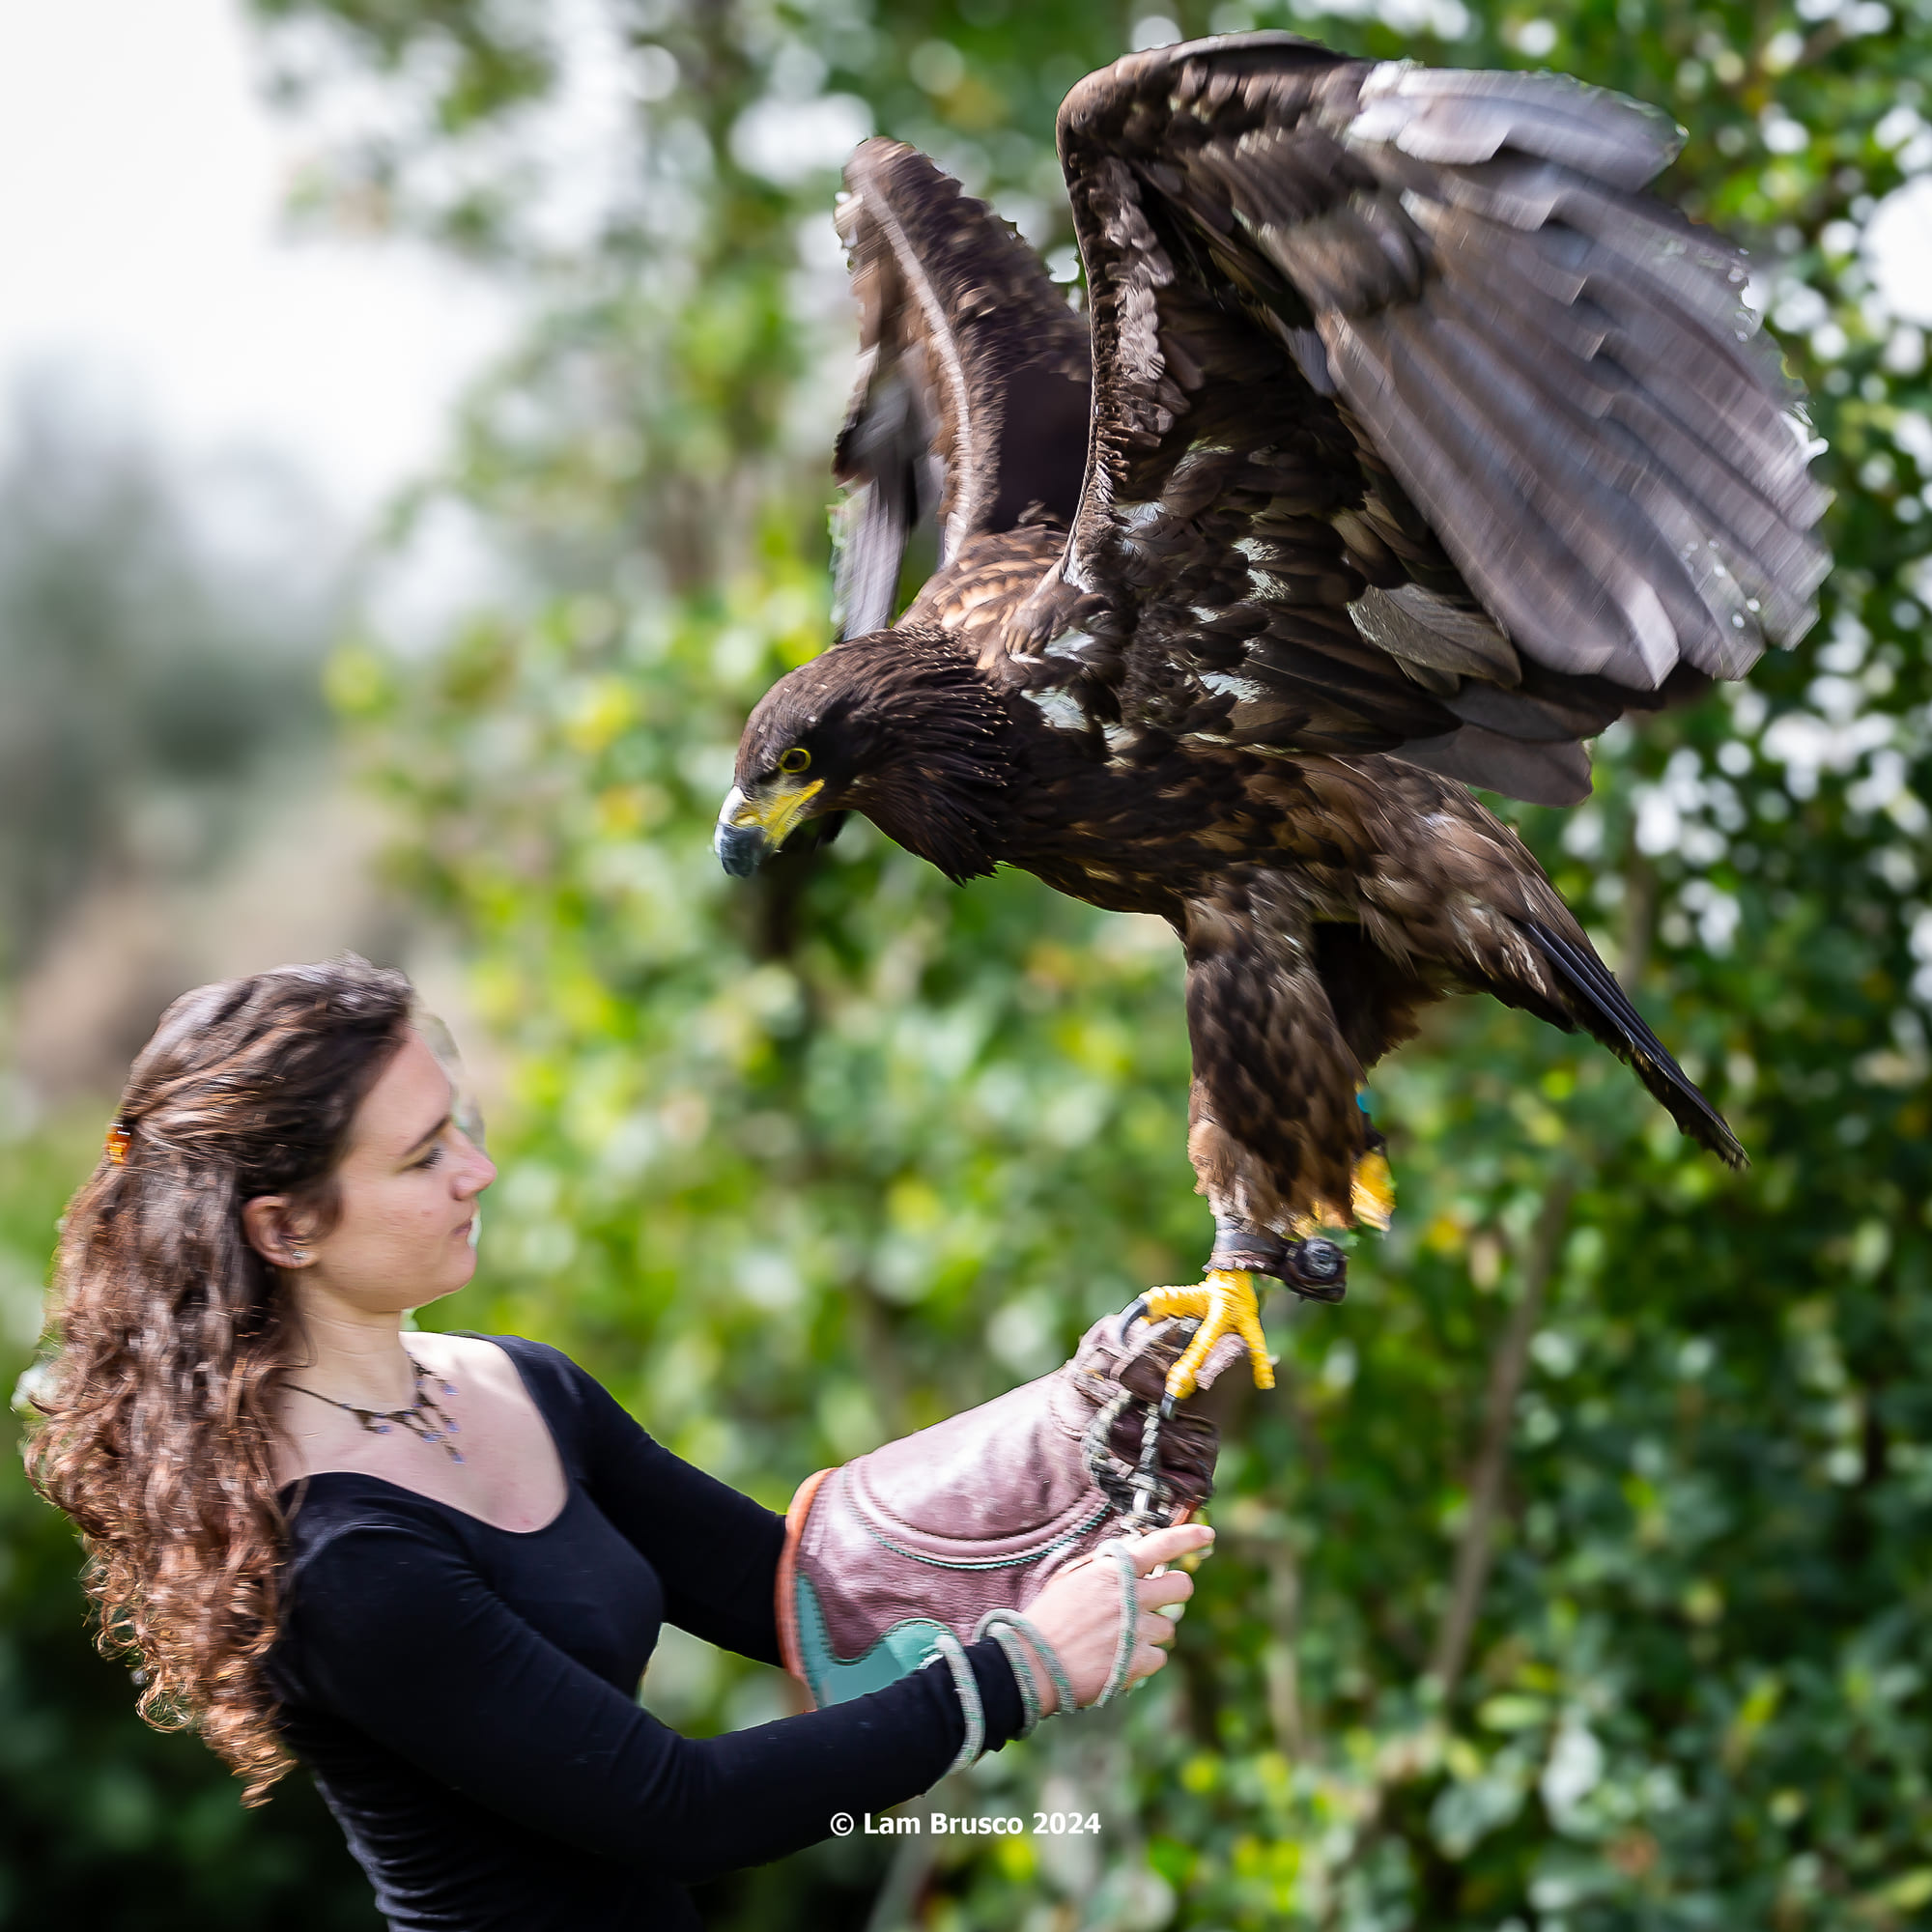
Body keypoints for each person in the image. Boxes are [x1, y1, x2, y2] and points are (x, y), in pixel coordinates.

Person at [25, 957, 1213, 1931]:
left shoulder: (520, 1385)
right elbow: (680, 1805)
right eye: (422, 1155)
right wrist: (1021, 1669)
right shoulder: (336, 1556)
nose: (477, 1171)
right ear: (284, 1226)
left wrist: (1064, 1425)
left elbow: (792, 1588)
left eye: (462, 1126)